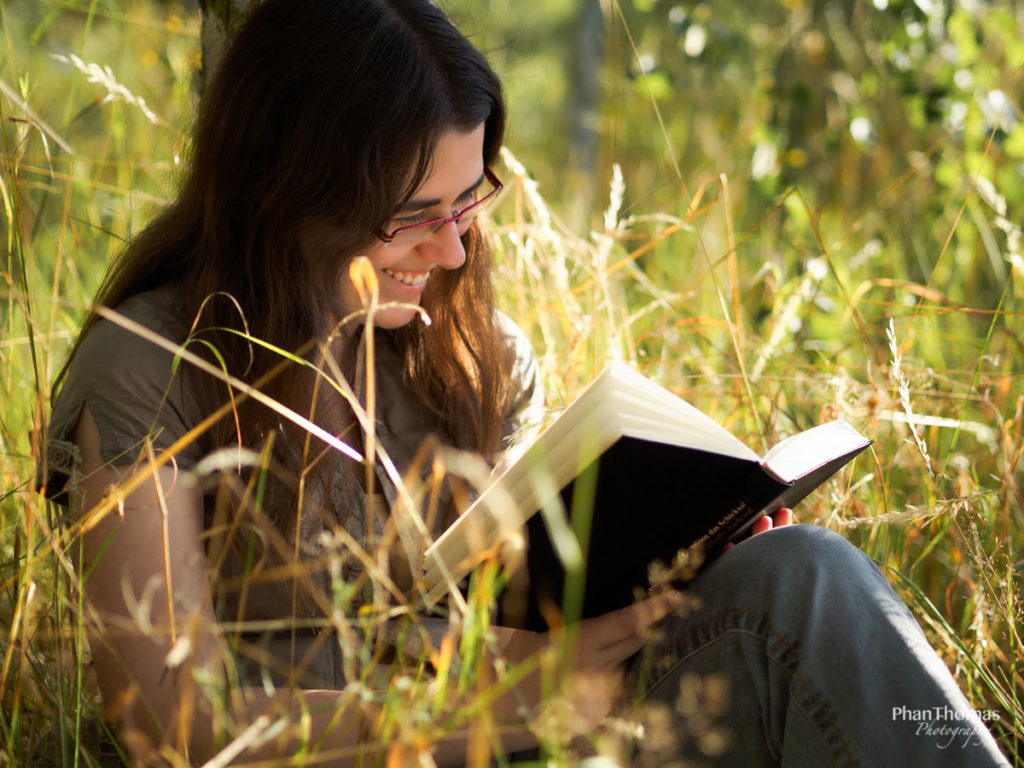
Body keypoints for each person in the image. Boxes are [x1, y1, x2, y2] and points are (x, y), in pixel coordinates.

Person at [39, 1, 1009, 765]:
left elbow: (521, 612)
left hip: (549, 735)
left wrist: (691, 553)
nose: (455, 246)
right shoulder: (154, 363)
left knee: (798, 577)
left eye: (470, 201)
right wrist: (486, 705)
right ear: (291, 194)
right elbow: (171, 726)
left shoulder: (466, 352)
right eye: (415, 215)